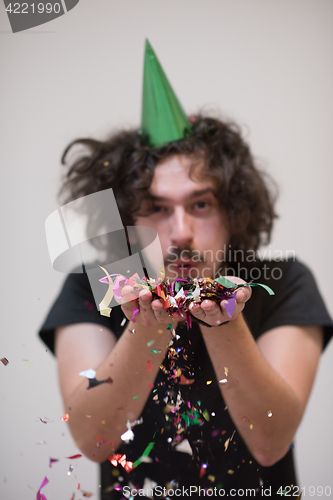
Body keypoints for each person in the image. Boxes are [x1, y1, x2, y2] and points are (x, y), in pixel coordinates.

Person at [39, 41, 333, 500]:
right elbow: (93, 440)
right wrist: (147, 327)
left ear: (234, 209)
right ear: (127, 220)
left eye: (201, 204)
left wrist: (224, 319)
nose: (181, 233)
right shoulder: (90, 286)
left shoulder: (286, 283)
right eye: (157, 208)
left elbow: (271, 442)